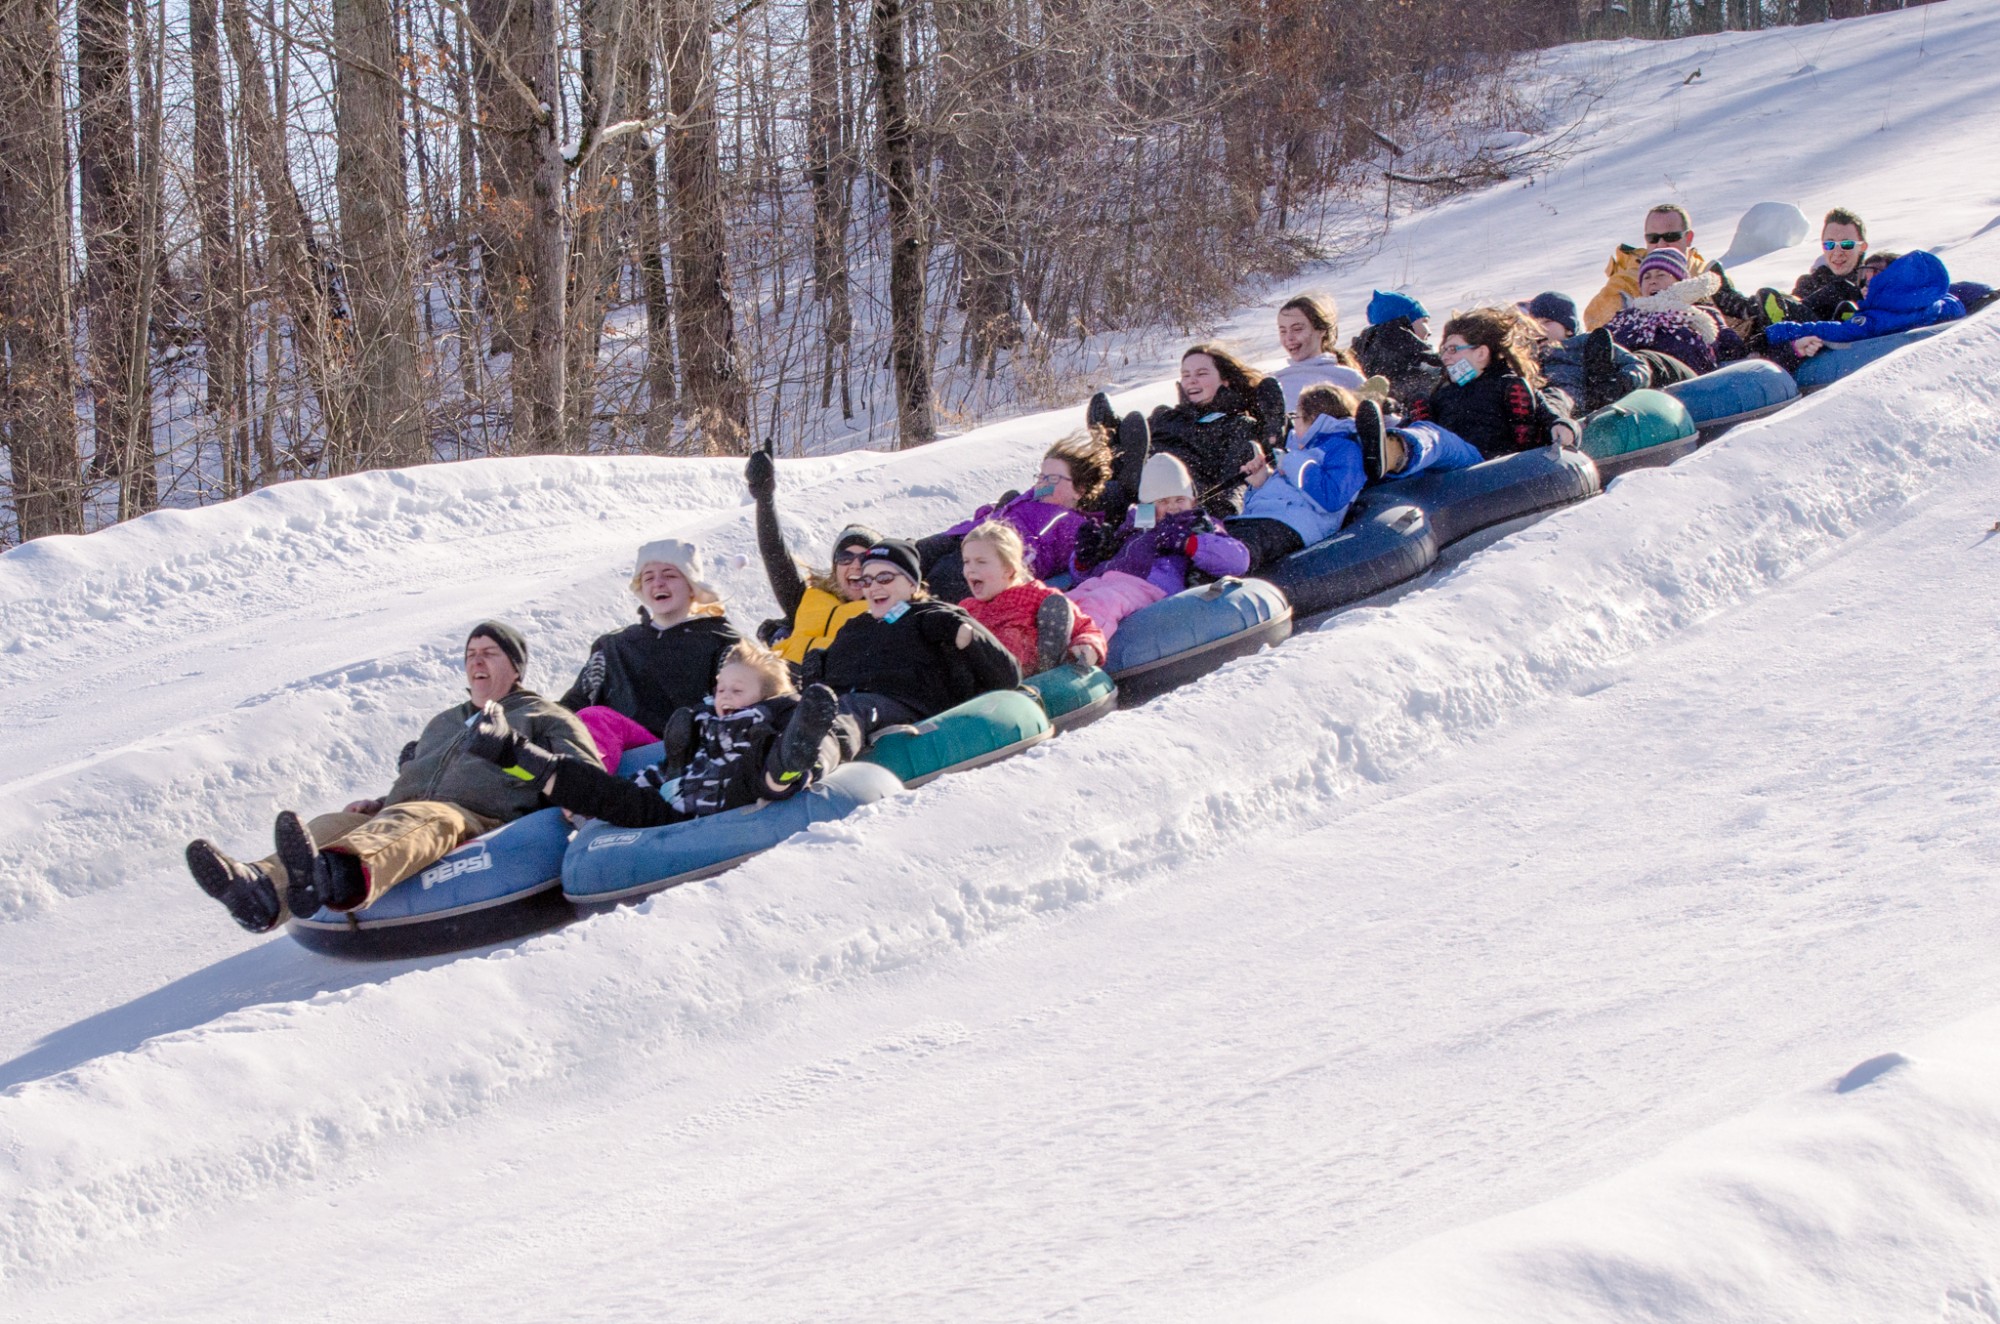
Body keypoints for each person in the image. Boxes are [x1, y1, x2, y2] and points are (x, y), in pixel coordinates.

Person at [184, 621, 601, 933]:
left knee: (425, 818)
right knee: (333, 823)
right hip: (405, 810)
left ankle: (337, 876)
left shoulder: (544, 715)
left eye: (489, 652)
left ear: (515, 667)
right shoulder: (443, 722)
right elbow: (425, 774)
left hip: (481, 817)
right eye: (470, 653)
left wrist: (572, 803)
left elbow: (583, 773)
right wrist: (380, 805)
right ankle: (258, 890)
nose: (476, 659)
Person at [463, 642, 847, 829]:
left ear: (765, 695)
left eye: (738, 690)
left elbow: (828, 747)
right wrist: (652, 780)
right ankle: (513, 752)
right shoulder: (701, 725)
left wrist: (804, 752)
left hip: (748, 786)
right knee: (611, 792)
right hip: (683, 803)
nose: (725, 697)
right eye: (721, 689)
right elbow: (659, 775)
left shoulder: (779, 717)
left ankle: (785, 770)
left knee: (769, 762)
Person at [800, 537, 1023, 747]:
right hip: (844, 705)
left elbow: (1008, 676)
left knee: (854, 709)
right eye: (866, 580)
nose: (873, 586)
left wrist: (971, 639)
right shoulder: (854, 627)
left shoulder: (933, 616)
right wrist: (814, 671)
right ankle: (777, 766)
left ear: (911, 584)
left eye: (885, 578)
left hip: (902, 706)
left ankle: (811, 758)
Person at [560, 540, 740, 769]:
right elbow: (573, 706)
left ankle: (585, 791)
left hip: (689, 756)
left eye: (670, 575)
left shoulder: (721, 641)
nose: (658, 583)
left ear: (692, 585)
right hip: (619, 757)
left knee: (597, 718)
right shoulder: (613, 647)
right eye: (648, 577)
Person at [912, 431, 1112, 602]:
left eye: (1052, 479)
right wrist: (993, 510)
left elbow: (1078, 566)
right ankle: (884, 555)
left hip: (991, 559)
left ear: (1079, 490)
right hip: (965, 536)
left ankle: (896, 619)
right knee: (911, 555)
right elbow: (1007, 508)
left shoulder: (1072, 523)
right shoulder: (1035, 497)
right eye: (1041, 477)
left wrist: (1088, 551)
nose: (1043, 484)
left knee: (934, 584)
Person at [1066, 454, 1251, 637]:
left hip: (1150, 587)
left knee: (1103, 601)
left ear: (1192, 501)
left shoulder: (1198, 525)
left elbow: (1238, 559)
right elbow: (1085, 575)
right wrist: (1085, 558)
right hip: (1106, 580)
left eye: (1179, 499)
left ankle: (1081, 649)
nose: (1172, 507)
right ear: (1146, 505)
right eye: (1162, 501)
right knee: (1066, 601)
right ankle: (1042, 649)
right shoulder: (1130, 528)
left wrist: (1187, 542)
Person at [744, 438, 877, 667]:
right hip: (784, 687)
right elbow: (776, 557)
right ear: (835, 568)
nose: (855, 565)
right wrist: (765, 501)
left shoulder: (886, 610)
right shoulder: (808, 601)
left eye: (864, 558)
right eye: (845, 557)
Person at [1406, 308, 1578, 458]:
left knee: (1437, 441)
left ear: (1481, 353)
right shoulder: (1442, 395)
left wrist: (1564, 426)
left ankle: (1405, 447)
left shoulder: (1508, 386)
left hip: (1491, 465)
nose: (1444, 357)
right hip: (1449, 475)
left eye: (1452, 349)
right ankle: (1397, 449)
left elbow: (1549, 415)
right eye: (1443, 350)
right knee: (1424, 431)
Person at [957, 521, 1107, 675]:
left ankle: (1048, 663)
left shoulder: (1034, 595)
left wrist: (1088, 645)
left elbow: (1087, 627)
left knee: (1012, 635)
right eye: (966, 562)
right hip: (978, 679)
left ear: (1008, 569)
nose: (970, 569)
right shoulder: (967, 608)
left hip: (1020, 673)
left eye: (981, 562)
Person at [1142, 345, 1274, 519]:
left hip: (1186, 501)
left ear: (1225, 380)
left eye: (1201, 373)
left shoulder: (1237, 424)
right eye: (1186, 375)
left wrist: (1218, 513)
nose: (1191, 380)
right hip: (1145, 500)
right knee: (1116, 490)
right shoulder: (1165, 417)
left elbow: (1233, 484)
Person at [1765, 249, 1967, 359]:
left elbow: (1841, 332)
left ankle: (1783, 315)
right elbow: (1955, 298)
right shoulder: (1935, 304)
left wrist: (1783, 331)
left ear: (1893, 277)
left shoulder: (1877, 317)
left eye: (1871, 274)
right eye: (1863, 275)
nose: (1865, 282)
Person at [1600, 248, 1729, 376]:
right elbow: (1605, 341)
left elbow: (1728, 346)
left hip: (1684, 377)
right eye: (1646, 277)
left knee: (1648, 360)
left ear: (1680, 281)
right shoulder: (1627, 316)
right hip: (1633, 379)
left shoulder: (1699, 312)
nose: (1653, 281)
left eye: (1661, 275)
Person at [1582, 202, 1711, 331]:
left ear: (1688, 238)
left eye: (1671, 237)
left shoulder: (1708, 275)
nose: (1661, 244)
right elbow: (1595, 327)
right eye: (1653, 238)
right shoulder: (1625, 282)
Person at [1519, 291, 1648, 414]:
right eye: (1533, 324)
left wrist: (1623, 382)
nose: (1538, 328)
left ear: (1568, 328)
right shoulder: (1529, 355)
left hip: (1585, 402)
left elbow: (1636, 364)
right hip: (1546, 406)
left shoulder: (1587, 343)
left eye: (1547, 322)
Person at [1270, 293, 1367, 418]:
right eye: (1283, 331)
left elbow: (1379, 427)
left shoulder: (1348, 378)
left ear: (1321, 330)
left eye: (1297, 329)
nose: (1289, 338)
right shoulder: (1276, 383)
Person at [1352, 290, 1441, 406]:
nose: (1429, 332)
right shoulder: (1403, 348)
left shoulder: (1367, 354)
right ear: (1406, 323)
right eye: (1424, 321)